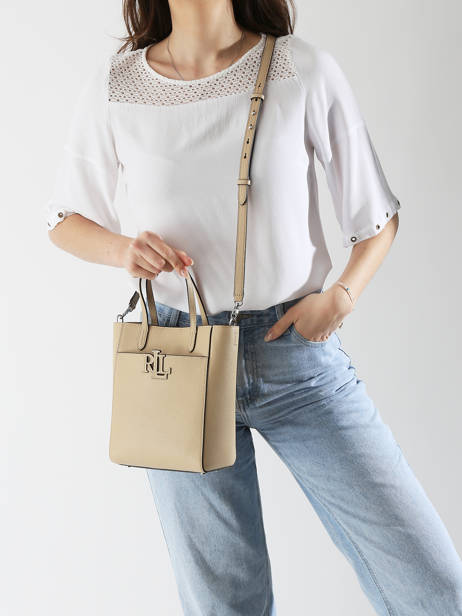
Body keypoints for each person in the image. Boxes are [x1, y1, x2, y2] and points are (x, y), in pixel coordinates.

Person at [44, 1, 462, 614]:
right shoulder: (119, 85)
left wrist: (341, 298)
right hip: (176, 363)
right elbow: (63, 219)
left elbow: (377, 217)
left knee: (431, 586)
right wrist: (124, 250)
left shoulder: (301, 69)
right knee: (226, 605)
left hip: (295, 355)